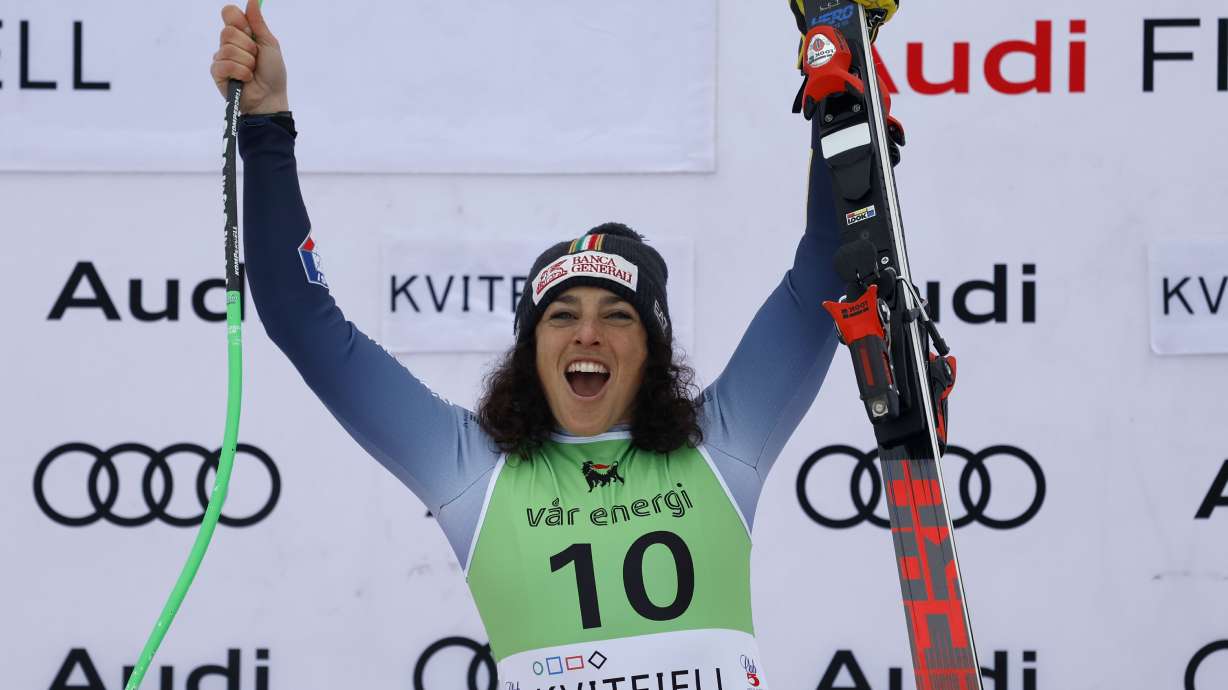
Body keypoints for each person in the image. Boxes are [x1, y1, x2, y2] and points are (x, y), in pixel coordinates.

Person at [210, 0, 893, 685]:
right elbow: (302, 317)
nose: (587, 334)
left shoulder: (721, 442)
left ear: (653, 352)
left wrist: (839, 49)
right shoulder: (472, 468)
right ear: (528, 351)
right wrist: (267, 122)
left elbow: (828, 264)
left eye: (618, 317)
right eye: (560, 315)